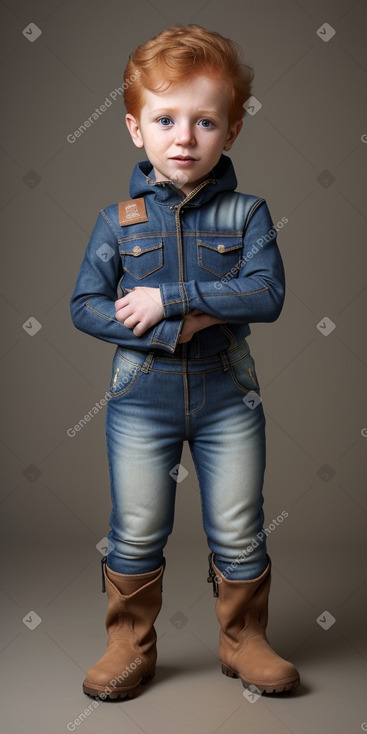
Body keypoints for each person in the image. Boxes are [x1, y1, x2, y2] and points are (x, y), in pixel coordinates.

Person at [70, 24, 300, 700]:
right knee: (137, 524)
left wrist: (170, 295)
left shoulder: (248, 214)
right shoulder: (117, 222)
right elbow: (84, 305)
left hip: (230, 396)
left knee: (237, 521)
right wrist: (173, 330)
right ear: (134, 128)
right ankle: (129, 644)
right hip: (142, 396)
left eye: (205, 121)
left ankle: (243, 640)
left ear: (230, 131)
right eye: (165, 119)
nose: (184, 137)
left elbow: (266, 295)